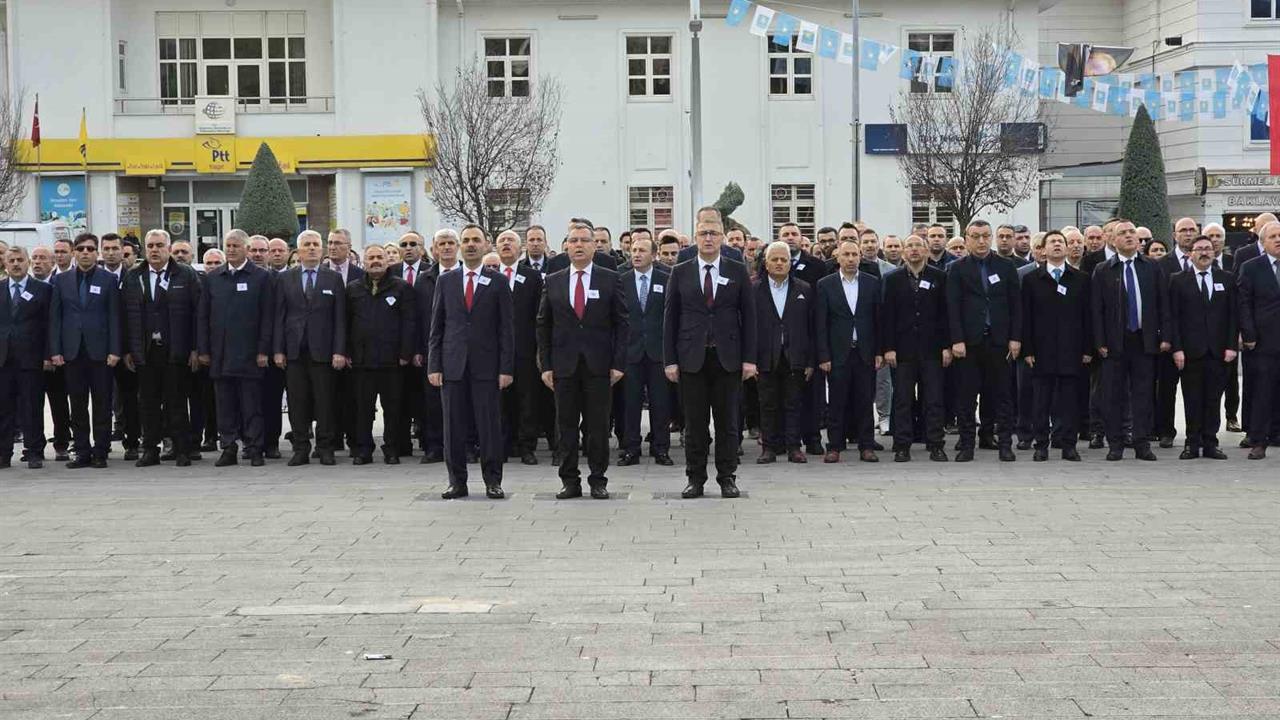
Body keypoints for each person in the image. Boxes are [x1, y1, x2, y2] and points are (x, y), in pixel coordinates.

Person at [665, 214, 756, 497]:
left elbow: (749, 317)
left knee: (728, 424)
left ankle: (727, 477)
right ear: (695, 237)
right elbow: (671, 317)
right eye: (703, 233)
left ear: (723, 237)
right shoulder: (681, 270)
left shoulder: (736, 269)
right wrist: (670, 359)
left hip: (727, 358)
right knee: (695, 425)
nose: (708, 238)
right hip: (692, 357)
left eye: (713, 233)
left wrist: (749, 358)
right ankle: (696, 478)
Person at [538, 222, 628, 499]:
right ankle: (569, 481)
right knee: (565, 425)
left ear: (594, 245)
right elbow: (543, 324)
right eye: (573, 241)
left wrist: (618, 363)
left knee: (598, 426)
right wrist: (546, 364)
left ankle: (598, 479)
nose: (578, 245)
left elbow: (622, 324)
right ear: (566, 246)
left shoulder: (609, 278)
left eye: (584, 240)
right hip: (564, 366)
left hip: (599, 365)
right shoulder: (553, 280)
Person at [428, 225, 513, 498]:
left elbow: (506, 330)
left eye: (476, 240)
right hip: (453, 366)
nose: (471, 245)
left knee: (489, 426)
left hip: (486, 367)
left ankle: (493, 481)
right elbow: (437, 327)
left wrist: (506, 368)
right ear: (460, 246)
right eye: (466, 241)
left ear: (487, 244)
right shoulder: (446, 280)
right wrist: (434, 365)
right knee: (453, 427)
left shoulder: (497, 281)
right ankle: (457, 481)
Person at [122, 229, 202, 467]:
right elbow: (126, 315)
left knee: (176, 402)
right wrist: (127, 349)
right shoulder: (134, 276)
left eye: (159, 245)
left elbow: (197, 314)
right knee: (147, 403)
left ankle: (181, 449)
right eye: (150, 246)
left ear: (168, 248)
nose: (154, 250)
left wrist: (196, 348)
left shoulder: (185, 275)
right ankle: (150, 449)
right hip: (145, 351)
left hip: (176, 349)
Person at [1091, 219, 1169, 461]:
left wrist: (1165, 336)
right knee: (1113, 395)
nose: (1129, 236)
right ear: (1112, 241)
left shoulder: (1152, 268)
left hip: (1144, 341)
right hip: (1115, 342)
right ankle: (1116, 443)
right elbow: (1096, 310)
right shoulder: (1104, 270)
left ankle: (1142, 442)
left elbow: (1162, 304)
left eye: (1132, 232)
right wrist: (1100, 341)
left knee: (1144, 394)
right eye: (1122, 233)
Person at [946, 220, 1022, 462]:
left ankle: (1005, 444)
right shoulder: (957, 268)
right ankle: (967, 445)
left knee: (1002, 395)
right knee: (966, 396)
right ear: (966, 238)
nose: (981, 241)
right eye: (976, 236)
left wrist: (1015, 338)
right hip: (968, 343)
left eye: (985, 236)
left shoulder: (1006, 266)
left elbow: (1015, 305)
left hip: (999, 341)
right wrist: (956, 339)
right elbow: (952, 307)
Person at [198, 229, 274, 467]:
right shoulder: (213, 278)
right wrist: (203, 350)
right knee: (225, 406)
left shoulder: (261, 277)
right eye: (228, 246)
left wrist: (263, 350)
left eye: (236, 246)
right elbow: (203, 317)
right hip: (220, 354)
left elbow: (267, 317)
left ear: (246, 249)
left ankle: (254, 448)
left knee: (252, 405)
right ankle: (228, 447)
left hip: (250, 354)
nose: (231, 250)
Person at [273, 230, 347, 466]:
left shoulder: (333, 279)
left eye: (316, 244)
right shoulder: (285, 278)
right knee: (297, 403)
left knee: (325, 402)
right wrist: (278, 350)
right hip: (294, 353)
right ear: (298, 250)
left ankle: (325, 448)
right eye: (307, 245)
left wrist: (339, 350)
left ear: (322, 249)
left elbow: (340, 319)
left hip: (324, 353)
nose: (312, 248)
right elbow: (279, 317)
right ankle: (301, 448)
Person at [49, 233, 122, 468]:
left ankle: (100, 451)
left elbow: (114, 317)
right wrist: (56, 350)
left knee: (102, 404)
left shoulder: (108, 280)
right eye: (80, 249)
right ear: (74, 252)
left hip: (100, 352)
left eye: (90, 249)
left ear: (96, 252)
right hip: (72, 352)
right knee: (77, 405)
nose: (85, 253)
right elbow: (56, 318)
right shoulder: (61, 281)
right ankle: (82, 451)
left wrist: (115, 350)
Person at [1020, 231, 1091, 462]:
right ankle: (1041, 445)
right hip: (1042, 351)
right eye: (1053, 242)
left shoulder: (1080, 279)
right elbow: (1026, 318)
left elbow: (1088, 317)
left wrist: (1087, 349)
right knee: (1041, 401)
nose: (1058, 245)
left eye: (1061, 242)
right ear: (1043, 249)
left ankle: (1069, 444)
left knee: (1070, 401)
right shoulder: (1032, 280)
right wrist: (1028, 350)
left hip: (1072, 350)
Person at [881, 235, 950, 462]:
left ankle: (936, 444)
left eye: (918, 246)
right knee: (902, 399)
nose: (913, 250)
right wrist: (888, 348)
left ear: (926, 250)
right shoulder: (892, 279)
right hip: (902, 350)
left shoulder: (939, 277)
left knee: (934, 399)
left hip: (932, 350)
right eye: (909, 246)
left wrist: (946, 346)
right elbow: (887, 317)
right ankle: (902, 445)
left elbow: (946, 315)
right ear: (903, 251)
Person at [345, 244, 415, 465]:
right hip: (361, 361)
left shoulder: (402, 288)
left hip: (392, 360)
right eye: (370, 258)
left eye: (379, 257)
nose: (375, 261)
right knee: (362, 408)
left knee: (393, 408)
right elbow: (345, 323)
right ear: (363, 262)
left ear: (388, 261)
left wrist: (406, 352)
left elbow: (409, 322)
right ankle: (364, 449)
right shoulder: (353, 289)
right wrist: (346, 352)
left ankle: (392, 448)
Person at [1167, 235, 1236, 460]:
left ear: (1214, 253)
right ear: (1190, 254)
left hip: (1218, 352)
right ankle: (1191, 443)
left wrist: (1231, 346)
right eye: (1199, 249)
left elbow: (1232, 317)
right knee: (1192, 399)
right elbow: (1173, 318)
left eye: (1208, 249)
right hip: (1189, 352)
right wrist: (1176, 348)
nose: (1204, 252)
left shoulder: (1226, 279)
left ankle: (1210, 443)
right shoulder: (1178, 280)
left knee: (1214, 399)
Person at [815, 239, 882, 463]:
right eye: (847, 255)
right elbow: (821, 323)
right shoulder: (826, 284)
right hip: (837, 353)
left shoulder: (873, 283)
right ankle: (834, 446)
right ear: (838, 258)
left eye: (855, 254)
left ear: (861, 256)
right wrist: (823, 355)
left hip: (865, 352)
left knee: (864, 401)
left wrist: (879, 351)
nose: (851, 259)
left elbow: (878, 319)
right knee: (836, 402)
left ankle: (866, 446)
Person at [753, 241, 814, 464]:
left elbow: (811, 328)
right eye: (774, 259)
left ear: (791, 263)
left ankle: (794, 447)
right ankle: (769, 447)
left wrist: (810, 361)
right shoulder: (754, 289)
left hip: (795, 356)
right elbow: (748, 327)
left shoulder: (804, 289)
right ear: (766, 263)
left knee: (794, 403)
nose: (779, 263)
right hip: (765, 357)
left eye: (784, 260)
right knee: (767, 404)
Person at [619, 232, 673, 466]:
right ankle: (631, 448)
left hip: (658, 352)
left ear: (654, 254)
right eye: (634, 250)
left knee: (661, 403)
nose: (637, 254)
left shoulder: (667, 278)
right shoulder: (621, 280)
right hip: (630, 352)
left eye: (642, 250)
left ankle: (660, 448)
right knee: (630, 403)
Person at [494, 229, 546, 465]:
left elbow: (540, 316)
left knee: (527, 399)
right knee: (499, 401)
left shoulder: (532, 277)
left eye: (510, 241)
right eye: (502, 241)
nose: (506, 244)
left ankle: (527, 447)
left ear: (520, 248)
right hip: (495, 351)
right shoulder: (490, 276)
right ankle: (502, 445)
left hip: (525, 349)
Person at [0, 246, 53, 469]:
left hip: (31, 358)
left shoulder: (42, 289)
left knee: (31, 406)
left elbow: (50, 324)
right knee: (4, 407)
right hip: (3, 359)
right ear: (5, 263)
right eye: (11, 260)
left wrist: (49, 354)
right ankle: (3, 453)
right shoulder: (0, 288)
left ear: (28, 262)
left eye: (20, 259)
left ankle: (33, 451)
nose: (15, 264)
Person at [391, 231, 437, 460]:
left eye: (413, 244)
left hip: (423, 348)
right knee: (399, 398)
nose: (408, 248)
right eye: (404, 244)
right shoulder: (391, 273)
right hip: (397, 349)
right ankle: (401, 445)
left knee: (425, 399)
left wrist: (419, 348)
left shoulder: (432, 273)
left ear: (422, 248)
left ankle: (430, 443)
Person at [1238, 220, 1280, 459]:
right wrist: (1249, 334)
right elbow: (1244, 304)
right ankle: (1259, 440)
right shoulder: (1251, 267)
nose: (1278, 239)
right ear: (1263, 242)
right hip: (1263, 342)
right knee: (1262, 392)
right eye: (1273, 236)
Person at [676, 208, 745, 264]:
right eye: (705, 221)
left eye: (712, 222)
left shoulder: (734, 254)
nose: (709, 225)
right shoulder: (684, 255)